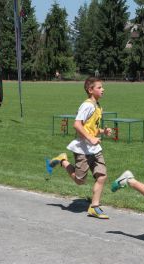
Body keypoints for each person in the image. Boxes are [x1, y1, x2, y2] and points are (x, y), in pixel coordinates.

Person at [46, 77, 113, 219]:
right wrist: (90, 138)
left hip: (95, 149)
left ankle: (94, 207)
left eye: (102, 87)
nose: (103, 89)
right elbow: (77, 125)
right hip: (83, 148)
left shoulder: (98, 106)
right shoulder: (87, 105)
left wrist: (102, 131)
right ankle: (62, 160)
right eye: (99, 87)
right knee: (79, 180)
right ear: (90, 90)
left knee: (102, 176)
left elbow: (91, 127)